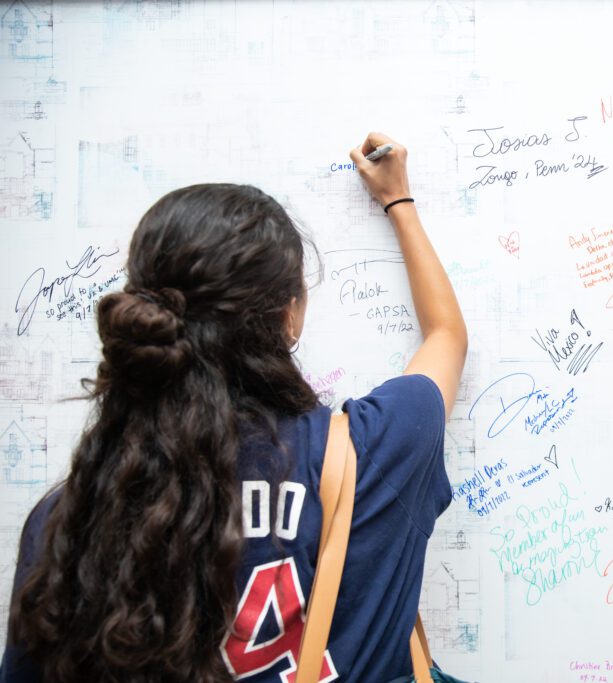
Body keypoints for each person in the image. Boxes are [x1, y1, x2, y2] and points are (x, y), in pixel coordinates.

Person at [0, 133, 468, 682]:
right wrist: (399, 202)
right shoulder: (374, 451)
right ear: (290, 316)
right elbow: (446, 336)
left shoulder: (71, 519)